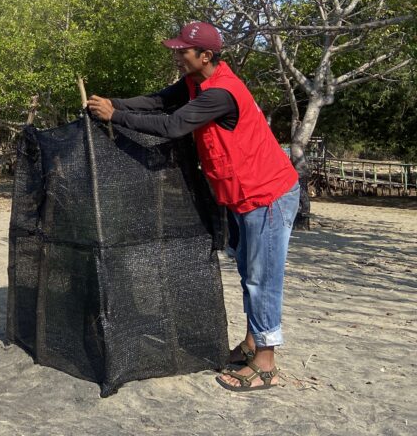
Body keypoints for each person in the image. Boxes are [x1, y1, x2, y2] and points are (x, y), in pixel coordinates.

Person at [87, 21, 300, 392]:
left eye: (183, 50)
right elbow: (159, 101)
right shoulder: (194, 82)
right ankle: (252, 343)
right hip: (241, 195)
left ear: (206, 55)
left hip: (267, 196)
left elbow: (173, 124)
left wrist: (115, 117)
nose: (176, 54)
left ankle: (266, 363)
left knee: (262, 278)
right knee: (250, 273)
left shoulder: (221, 93)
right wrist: (114, 104)